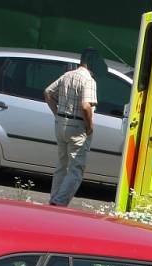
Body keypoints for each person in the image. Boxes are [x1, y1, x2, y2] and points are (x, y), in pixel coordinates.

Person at [43, 48, 99, 207]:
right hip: (78, 126)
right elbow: (86, 105)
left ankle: (54, 198)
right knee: (76, 169)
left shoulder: (67, 75)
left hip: (61, 124)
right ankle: (59, 203)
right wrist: (89, 127)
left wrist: (57, 113)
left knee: (62, 165)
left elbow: (47, 93)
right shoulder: (89, 80)